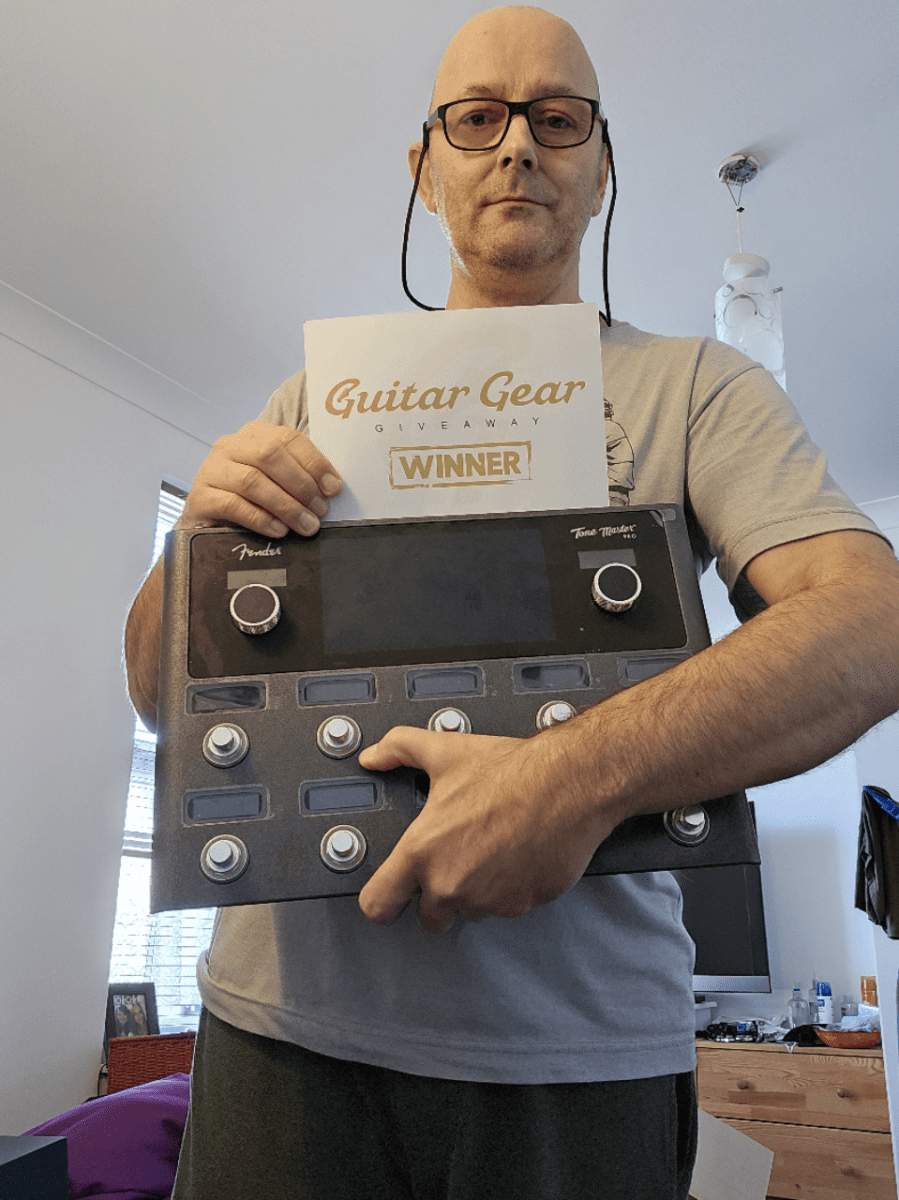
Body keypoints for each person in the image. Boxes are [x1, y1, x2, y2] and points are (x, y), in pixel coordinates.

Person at [124, 7, 899, 1199]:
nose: (518, 146)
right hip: (280, 1035)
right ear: (424, 167)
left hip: (576, 1061)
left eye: (557, 118)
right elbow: (156, 696)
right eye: (477, 118)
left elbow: (867, 625)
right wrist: (194, 547)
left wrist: (566, 778)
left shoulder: (699, 388)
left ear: (600, 163)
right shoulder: (311, 399)